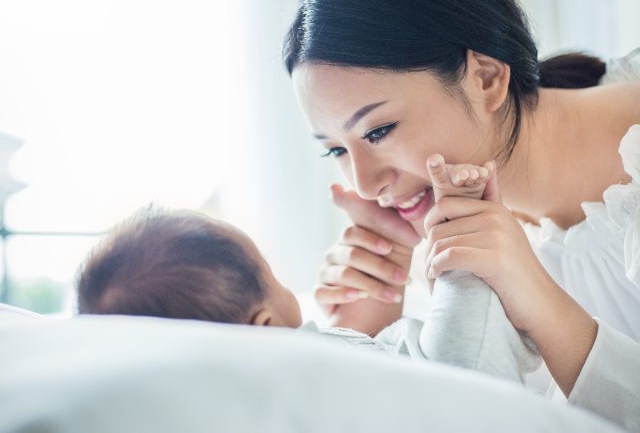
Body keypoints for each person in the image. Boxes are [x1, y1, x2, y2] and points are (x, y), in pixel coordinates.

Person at [282, 0, 640, 431]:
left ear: (486, 78)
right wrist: (372, 333)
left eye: (379, 130)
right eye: (336, 149)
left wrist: (541, 302)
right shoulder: (465, 237)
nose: (366, 186)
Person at [75, 159, 539, 385]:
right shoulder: (300, 364)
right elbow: (462, 373)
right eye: (271, 272)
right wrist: (457, 240)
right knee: (460, 340)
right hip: (460, 393)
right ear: (264, 328)